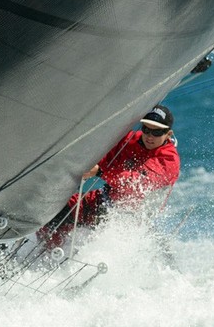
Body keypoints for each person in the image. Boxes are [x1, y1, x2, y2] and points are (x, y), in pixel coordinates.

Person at [40, 104, 181, 248]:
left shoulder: (168, 159)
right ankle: (44, 256)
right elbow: (104, 157)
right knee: (51, 213)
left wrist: (100, 172)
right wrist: (79, 165)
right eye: (146, 129)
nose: (149, 136)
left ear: (168, 134)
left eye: (156, 132)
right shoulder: (131, 140)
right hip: (103, 200)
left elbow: (136, 185)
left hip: (129, 220)